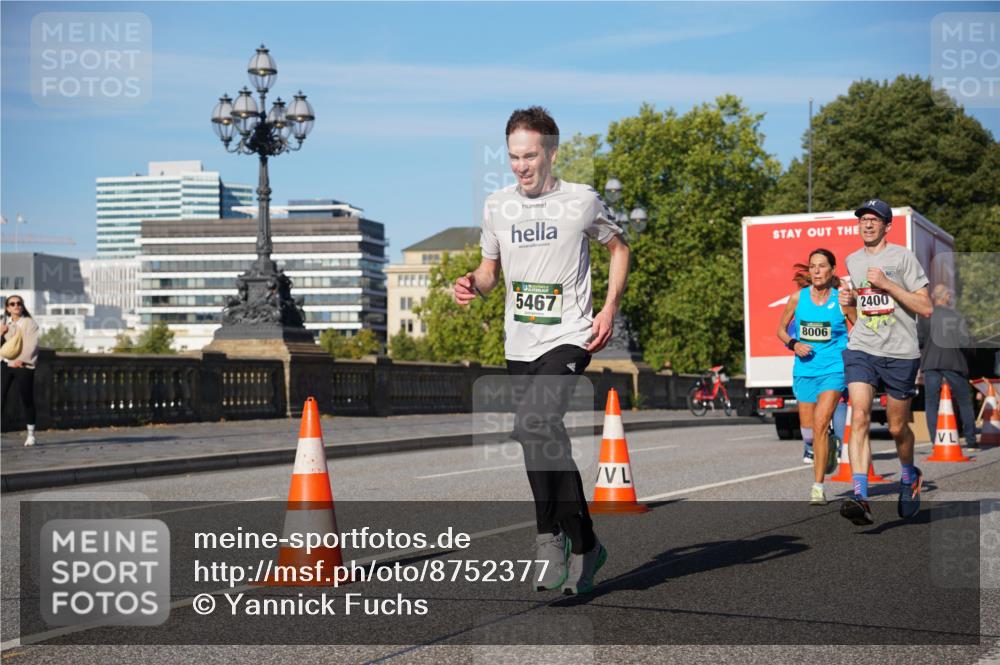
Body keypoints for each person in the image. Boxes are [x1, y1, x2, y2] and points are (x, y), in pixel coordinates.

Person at [453, 106, 629, 595]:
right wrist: (471, 283)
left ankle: (548, 538)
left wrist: (609, 308)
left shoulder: (582, 201)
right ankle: (587, 543)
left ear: (550, 152)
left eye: (530, 156)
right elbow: (490, 272)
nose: (521, 166)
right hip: (519, 341)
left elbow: (619, 248)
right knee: (541, 439)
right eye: (513, 157)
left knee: (531, 424)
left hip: (570, 334)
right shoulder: (497, 206)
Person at [838, 199, 932, 525]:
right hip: (863, 347)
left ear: (887, 226)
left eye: (874, 220)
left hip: (901, 352)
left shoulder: (903, 257)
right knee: (860, 414)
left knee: (896, 427)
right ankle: (860, 496)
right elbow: (861, 312)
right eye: (863, 219)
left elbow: (925, 307)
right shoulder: (852, 260)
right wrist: (850, 304)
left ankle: (909, 475)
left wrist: (888, 285)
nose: (867, 224)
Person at [777, 249, 855, 505]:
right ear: (809, 271)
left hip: (834, 369)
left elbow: (860, 327)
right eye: (813, 266)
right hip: (805, 370)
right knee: (809, 432)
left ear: (832, 270)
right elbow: (780, 329)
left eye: (822, 266)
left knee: (821, 422)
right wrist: (793, 343)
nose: (817, 271)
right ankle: (826, 445)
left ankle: (818, 487)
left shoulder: (841, 300)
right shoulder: (797, 298)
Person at [919, 284, 977, 450]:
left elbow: (919, 341)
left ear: (932, 297)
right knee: (964, 400)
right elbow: (965, 342)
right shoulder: (956, 317)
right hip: (954, 363)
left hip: (931, 364)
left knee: (931, 402)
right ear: (946, 297)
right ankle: (971, 440)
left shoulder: (925, 317)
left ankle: (935, 441)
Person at [1, 295, 40, 446]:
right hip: (5, 364)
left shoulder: (29, 323)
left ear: (22, 306)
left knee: (27, 399)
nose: (16, 306)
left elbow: (33, 345)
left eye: (19, 303)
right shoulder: (3, 322)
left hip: (23, 365)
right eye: (12, 304)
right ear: (8, 308)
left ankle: (31, 434)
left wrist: (21, 360)